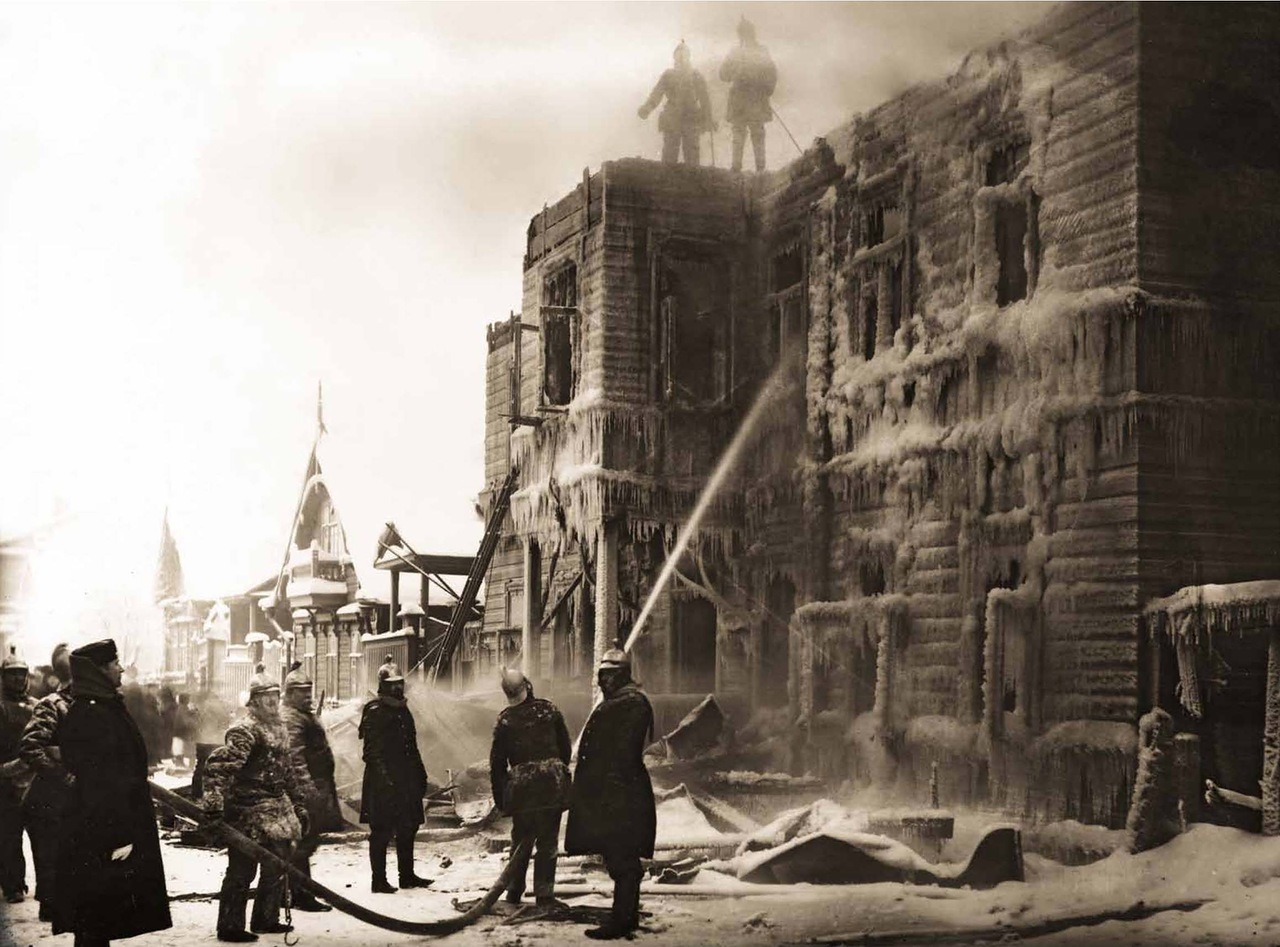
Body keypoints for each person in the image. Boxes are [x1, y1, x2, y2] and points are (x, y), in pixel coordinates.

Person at [52, 639, 172, 947]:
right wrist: (118, 835)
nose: (120, 669)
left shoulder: (103, 707)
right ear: (99, 671)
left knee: (98, 917)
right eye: (114, 664)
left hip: (102, 826)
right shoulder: (92, 713)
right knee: (95, 915)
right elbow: (100, 784)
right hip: (101, 830)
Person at [202, 670, 308, 942]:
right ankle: (230, 926)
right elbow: (218, 768)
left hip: (277, 810)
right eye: (266, 696)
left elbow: (287, 771)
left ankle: (265, 918)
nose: (272, 701)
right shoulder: (244, 730)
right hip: (246, 810)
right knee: (242, 870)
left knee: (276, 866)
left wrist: (298, 804)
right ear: (254, 700)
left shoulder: (279, 728)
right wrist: (214, 806)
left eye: (275, 695)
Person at [565, 649, 656, 940]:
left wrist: (609, 791)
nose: (603, 681)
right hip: (610, 790)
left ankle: (623, 920)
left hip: (621, 793)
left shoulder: (632, 704)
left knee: (623, 856)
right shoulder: (620, 701)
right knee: (617, 854)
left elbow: (624, 752)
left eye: (609, 675)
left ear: (622, 675)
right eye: (602, 675)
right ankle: (624, 915)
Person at [489, 668, 572, 910]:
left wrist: (501, 798)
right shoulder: (550, 709)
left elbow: (497, 764)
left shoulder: (505, 719)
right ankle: (544, 895)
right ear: (527, 685)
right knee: (547, 841)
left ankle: (514, 890)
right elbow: (565, 749)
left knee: (521, 839)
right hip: (551, 784)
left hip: (523, 788)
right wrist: (555, 772)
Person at [358, 662, 431, 894]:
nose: (398, 688)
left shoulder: (403, 710)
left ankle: (407, 876)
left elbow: (412, 746)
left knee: (408, 826)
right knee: (381, 831)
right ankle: (378, 880)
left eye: (400, 683)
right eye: (392, 685)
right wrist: (385, 781)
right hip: (383, 779)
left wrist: (420, 772)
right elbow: (371, 753)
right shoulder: (375, 711)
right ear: (383, 686)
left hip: (406, 778)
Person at [280, 666, 342, 913]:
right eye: (302, 691)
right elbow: (295, 759)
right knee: (303, 842)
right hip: (306, 790)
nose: (308, 695)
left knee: (305, 842)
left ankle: (293, 891)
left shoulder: (301, 715)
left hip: (316, 786)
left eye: (309, 690)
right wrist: (307, 792)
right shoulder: (291, 718)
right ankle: (300, 894)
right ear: (290, 693)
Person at [19, 643, 74, 922]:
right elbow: (30, 747)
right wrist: (61, 773)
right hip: (47, 799)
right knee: (49, 855)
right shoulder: (52, 704)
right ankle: (50, 907)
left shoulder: (85, 704)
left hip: (69, 798)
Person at [638, 41, 714, 166]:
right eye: (679, 55)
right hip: (672, 118)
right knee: (669, 156)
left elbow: (704, 99)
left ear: (688, 56)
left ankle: (692, 177)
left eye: (684, 55)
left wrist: (709, 119)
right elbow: (657, 94)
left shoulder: (696, 75)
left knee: (692, 157)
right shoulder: (668, 75)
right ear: (674, 57)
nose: (681, 58)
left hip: (691, 118)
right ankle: (668, 177)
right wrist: (646, 109)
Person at [0, 648, 35, 904]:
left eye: (21, 673)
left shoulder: (37, 706)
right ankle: (13, 885)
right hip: (5, 780)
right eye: (12, 674)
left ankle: (48, 888)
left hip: (35, 778)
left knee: (43, 837)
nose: (18, 679)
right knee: (9, 836)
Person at [719, 17, 777, 173]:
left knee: (758, 134)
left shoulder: (762, 51)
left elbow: (772, 73)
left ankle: (761, 169)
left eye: (747, 33)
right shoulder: (734, 52)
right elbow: (723, 74)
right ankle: (736, 168)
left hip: (756, 99)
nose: (745, 37)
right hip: (739, 101)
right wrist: (736, 72)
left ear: (752, 33)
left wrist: (766, 88)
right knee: (738, 135)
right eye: (742, 34)